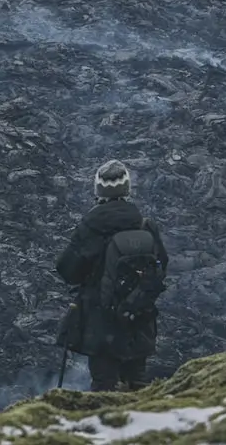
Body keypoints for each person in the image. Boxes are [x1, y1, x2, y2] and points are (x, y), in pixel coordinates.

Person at [55, 159, 168, 392]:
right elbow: (161, 266)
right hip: (138, 318)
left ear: (98, 190)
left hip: (101, 323)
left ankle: (107, 424)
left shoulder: (91, 228)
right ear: (127, 189)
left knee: (104, 385)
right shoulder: (145, 225)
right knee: (137, 382)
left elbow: (68, 270)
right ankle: (143, 425)